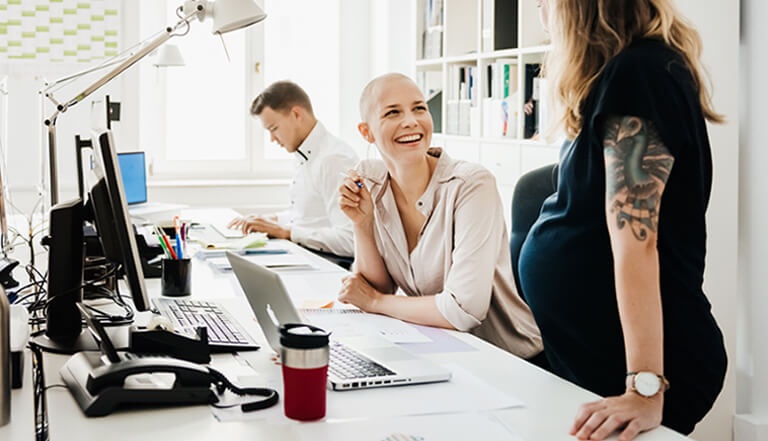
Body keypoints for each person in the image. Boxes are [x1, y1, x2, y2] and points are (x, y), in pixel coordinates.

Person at [518, 1, 727, 440]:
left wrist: (645, 387)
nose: (540, 11)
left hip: (645, 369)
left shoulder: (640, 75)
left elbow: (636, 241)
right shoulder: (623, 75)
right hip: (597, 361)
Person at [337, 73, 543, 362]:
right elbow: (377, 287)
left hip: (508, 359)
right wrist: (362, 223)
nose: (411, 121)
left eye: (419, 108)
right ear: (366, 132)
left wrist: (375, 302)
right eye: (393, 112)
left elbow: (462, 311)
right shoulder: (370, 181)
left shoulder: (471, 184)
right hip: (442, 351)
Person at [229, 81, 358, 258]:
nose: (272, 139)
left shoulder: (333, 160)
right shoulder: (305, 153)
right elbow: (310, 217)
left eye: (274, 129)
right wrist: (269, 220)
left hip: (327, 263)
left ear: (296, 114)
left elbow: (351, 239)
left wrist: (287, 232)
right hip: (305, 254)